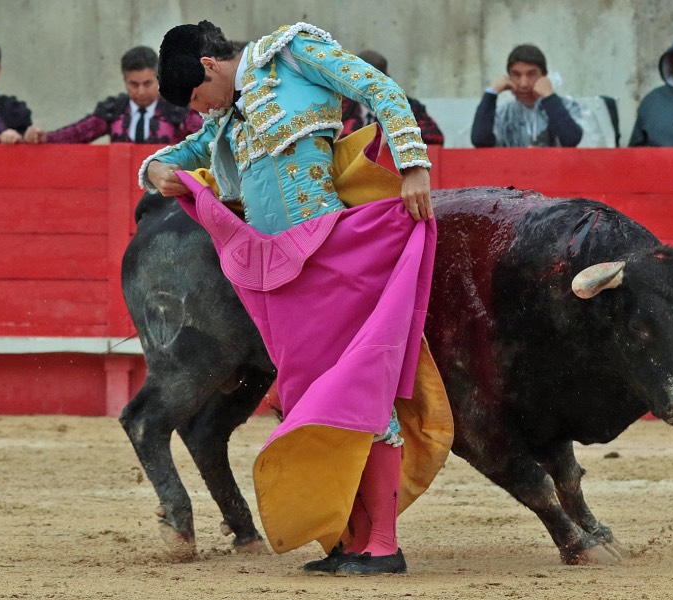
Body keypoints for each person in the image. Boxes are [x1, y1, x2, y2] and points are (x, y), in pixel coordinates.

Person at [140, 20, 452, 575]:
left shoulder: (290, 54)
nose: (200, 109)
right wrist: (155, 168)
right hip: (282, 275)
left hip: (332, 256)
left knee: (362, 392)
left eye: (196, 97)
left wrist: (414, 163)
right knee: (314, 402)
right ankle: (349, 540)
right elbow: (189, 150)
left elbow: (379, 89)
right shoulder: (226, 119)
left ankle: (382, 543)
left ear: (209, 68)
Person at [24, 46, 203, 144]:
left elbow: (205, 137)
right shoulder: (113, 110)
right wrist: (46, 138)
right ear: (124, 80)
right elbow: (78, 133)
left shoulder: (178, 110)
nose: (140, 91)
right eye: (133, 84)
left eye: (147, 83)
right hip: (120, 185)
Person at [470, 44, 584, 147]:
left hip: (558, 169)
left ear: (544, 76)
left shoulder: (566, 106)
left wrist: (549, 97)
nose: (523, 84)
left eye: (531, 74)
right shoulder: (502, 114)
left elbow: (571, 139)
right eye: (516, 75)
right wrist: (491, 93)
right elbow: (480, 141)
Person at [340, 49, 444, 145]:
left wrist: (394, 135)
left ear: (387, 80)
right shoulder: (339, 106)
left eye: (373, 83)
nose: (367, 89)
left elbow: (435, 138)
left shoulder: (405, 107)